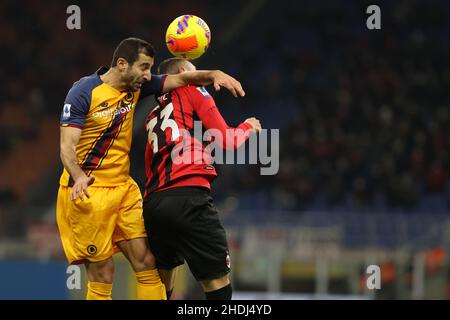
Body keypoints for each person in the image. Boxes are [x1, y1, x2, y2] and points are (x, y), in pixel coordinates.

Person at [57, 38, 245, 300]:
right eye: (144, 68)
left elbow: (182, 80)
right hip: (88, 192)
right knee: (103, 273)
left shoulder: (138, 87)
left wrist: (214, 74)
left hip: (124, 189)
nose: (148, 76)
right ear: (122, 64)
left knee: (147, 262)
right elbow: (67, 146)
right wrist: (78, 176)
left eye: (151, 69)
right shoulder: (83, 91)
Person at [142, 57, 262, 300]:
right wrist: (249, 127)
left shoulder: (152, 116)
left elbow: (151, 164)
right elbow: (228, 140)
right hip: (189, 198)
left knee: (163, 284)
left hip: (155, 204)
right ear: (185, 72)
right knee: (218, 284)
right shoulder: (194, 89)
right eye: (196, 72)